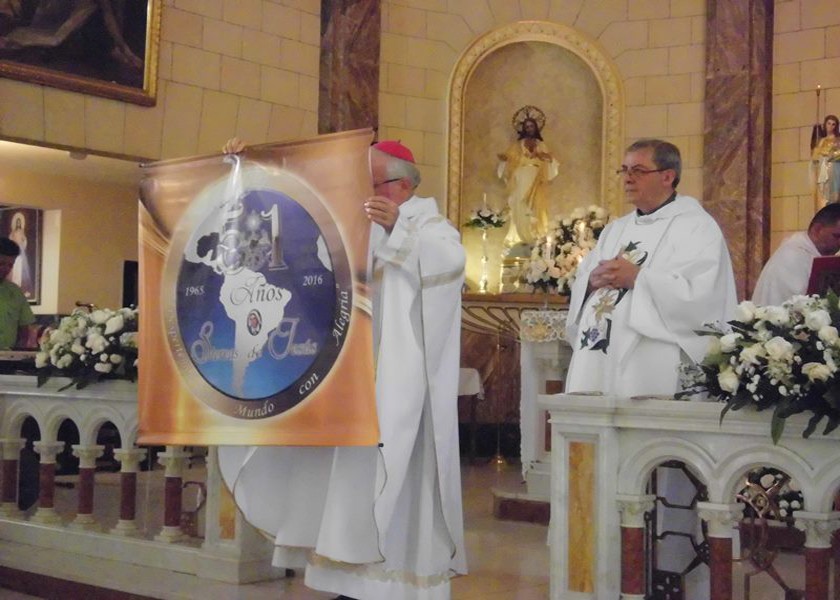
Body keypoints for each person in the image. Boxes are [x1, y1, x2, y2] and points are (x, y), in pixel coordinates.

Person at [218, 140, 468, 600]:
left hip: (396, 390)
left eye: (369, 182)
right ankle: (343, 581)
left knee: (391, 482)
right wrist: (245, 169)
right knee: (338, 483)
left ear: (399, 186)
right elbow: (287, 225)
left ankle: (394, 586)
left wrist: (400, 234)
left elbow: (450, 264)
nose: (360, 191)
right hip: (344, 377)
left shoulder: (429, 225)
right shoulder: (348, 220)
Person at [564, 139, 737, 397]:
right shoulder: (616, 229)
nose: (628, 179)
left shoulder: (696, 227)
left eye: (639, 171)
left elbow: (702, 295)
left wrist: (637, 278)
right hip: (598, 356)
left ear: (668, 176)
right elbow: (585, 280)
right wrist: (592, 280)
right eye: (624, 170)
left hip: (653, 361)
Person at [752, 203, 840, 306]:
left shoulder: (807, 253)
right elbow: (798, 309)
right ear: (817, 230)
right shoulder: (792, 258)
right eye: (836, 236)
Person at [497, 112, 559, 246]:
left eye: (531, 126)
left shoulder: (541, 144)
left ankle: (535, 237)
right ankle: (519, 238)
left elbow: (551, 161)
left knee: (535, 208)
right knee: (519, 204)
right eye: (527, 126)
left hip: (536, 178)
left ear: (536, 128)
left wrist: (545, 157)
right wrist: (505, 160)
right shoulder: (517, 145)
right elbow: (509, 161)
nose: (529, 129)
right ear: (523, 129)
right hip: (520, 178)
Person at [0, 237, 35, 350]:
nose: (5, 268)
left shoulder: (16, 292)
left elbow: (24, 328)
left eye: (10, 265)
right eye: (1, 263)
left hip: (8, 360)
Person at [811, 114, 840, 204]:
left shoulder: (838, 140)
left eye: (833, 124)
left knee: (834, 191)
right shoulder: (821, 141)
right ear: (825, 125)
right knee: (823, 192)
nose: (830, 126)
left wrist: (830, 154)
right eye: (829, 123)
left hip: (834, 168)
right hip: (822, 168)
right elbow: (815, 156)